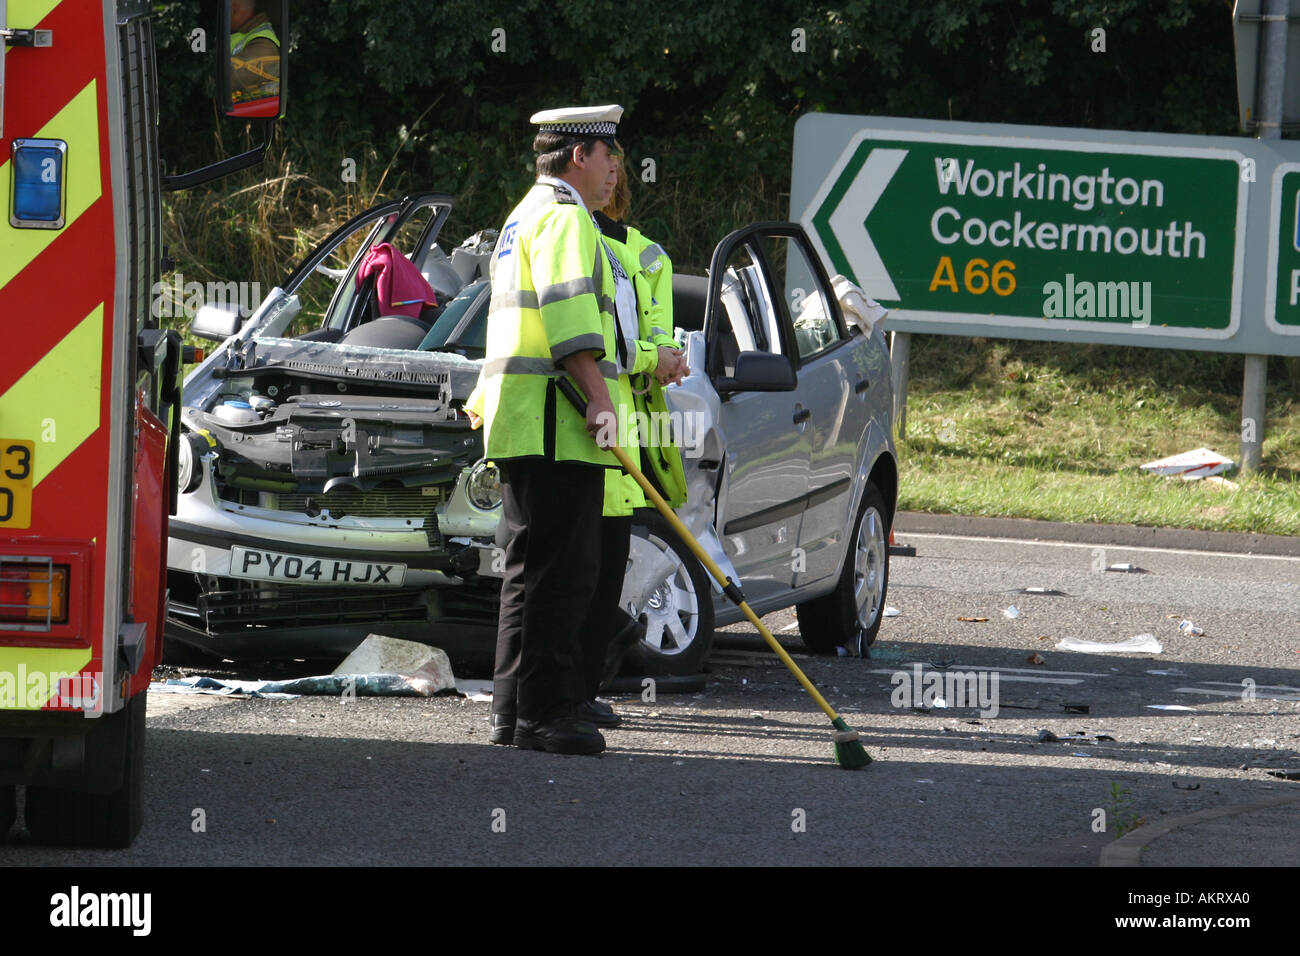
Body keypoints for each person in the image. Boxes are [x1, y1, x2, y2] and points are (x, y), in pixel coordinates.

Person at [474, 105, 627, 755]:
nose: (617, 166)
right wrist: (599, 401)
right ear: (578, 157)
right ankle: (545, 711)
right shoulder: (567, 220)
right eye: (608, 152)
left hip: (522, 419)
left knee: (526, 571)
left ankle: (513, 710)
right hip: (555, 419)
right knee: (564, 575)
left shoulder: (522, 216)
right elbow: (570, 325)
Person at [578, 151, 690, 713]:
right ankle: (565, 694)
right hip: (588, 427)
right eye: (609, 165)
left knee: (602, 573)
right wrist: (657, 357)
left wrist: (665, 357)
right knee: (581, 575)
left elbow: (644, 340)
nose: (613, 178)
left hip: (621, 431)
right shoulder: (569, 237)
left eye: (618, 168)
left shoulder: (646, 256)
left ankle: (580, 688)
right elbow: (611, 344)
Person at [229, 0, 280, 105]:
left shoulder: (264, 46)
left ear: (235, 11)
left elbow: (225, 78)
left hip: (248, 118)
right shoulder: (239, 32)